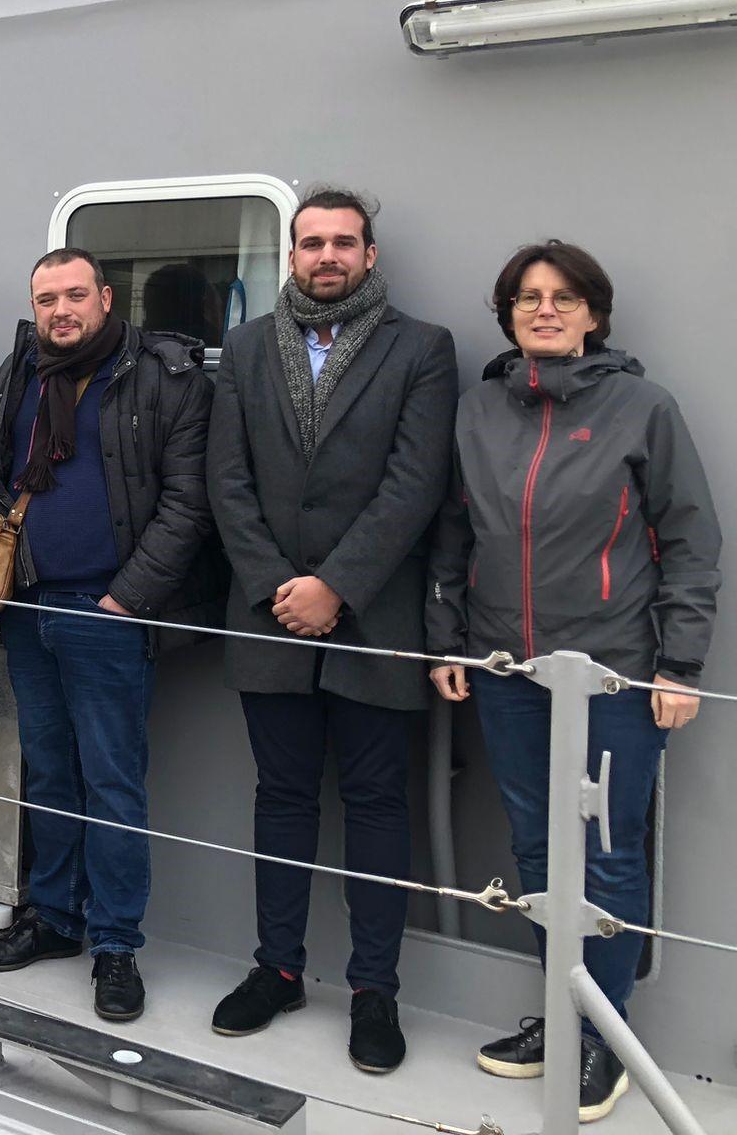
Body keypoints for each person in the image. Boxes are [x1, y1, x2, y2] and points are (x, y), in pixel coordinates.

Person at [427, 242, 721, 1122]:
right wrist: (449, 640)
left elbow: (690, 540)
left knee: (608, 853)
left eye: (562, 298)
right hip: (508, 669)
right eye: (526, 297)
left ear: (594, 313)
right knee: (534, 850)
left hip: (614, 677)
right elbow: (454, 533)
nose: (544, 309)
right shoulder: (479, 410)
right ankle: (564, 1017)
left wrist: (681, 664)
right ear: (509, 314)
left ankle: (606, 1038)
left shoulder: (643, 409)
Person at [205, 188, 456, 1075]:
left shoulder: (421, 349)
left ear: (370, 255)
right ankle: (277, 969)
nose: (327, 256)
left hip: (374, 617)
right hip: (270, 615)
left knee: (380, 808)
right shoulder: (244, 349)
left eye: (343, 243)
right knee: (281, 798)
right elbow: (224, 479)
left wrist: (336, 589)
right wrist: (281, 587)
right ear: (292, 256)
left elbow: (415, 485)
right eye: (311, 242)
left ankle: (373, 991)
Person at [0, 248, 215, 1023]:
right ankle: (56, 919)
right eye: (47, 298)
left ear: (107, 298)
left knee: (112, 784)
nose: (60, 310)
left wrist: (125, 599)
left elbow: (187, 503)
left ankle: (115, 945)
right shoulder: (22, 372)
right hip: (33, 607)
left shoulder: (163, 376)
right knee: (48, 773)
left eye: (75, 295)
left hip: (108, 615)